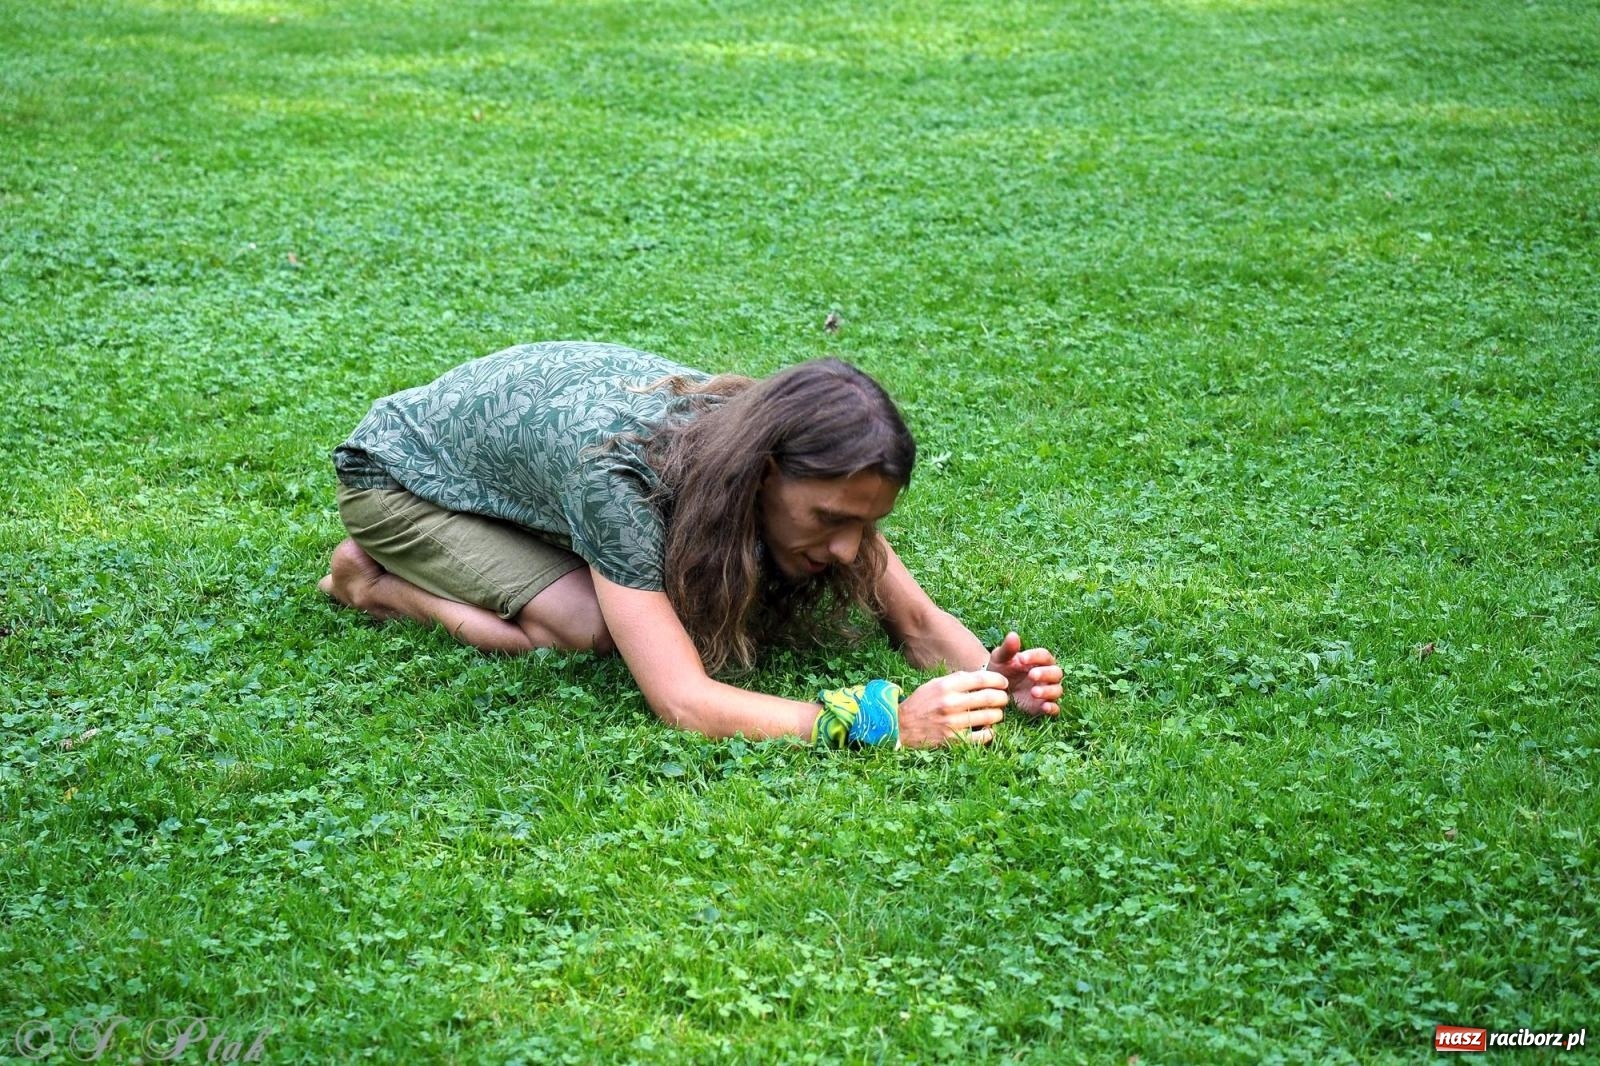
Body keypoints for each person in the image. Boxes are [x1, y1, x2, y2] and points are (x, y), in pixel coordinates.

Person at [319, 341, 1063, 750]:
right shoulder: (621, 479)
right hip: (401, 482)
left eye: (866, 526)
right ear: (764, 475)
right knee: (585, 629)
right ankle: (370, 584)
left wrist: (990, 682)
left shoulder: (783, 461)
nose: (847, 550)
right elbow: (683, 701)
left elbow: (918, 622)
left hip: (517, 473)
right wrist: (884, 727)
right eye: (831, 519)